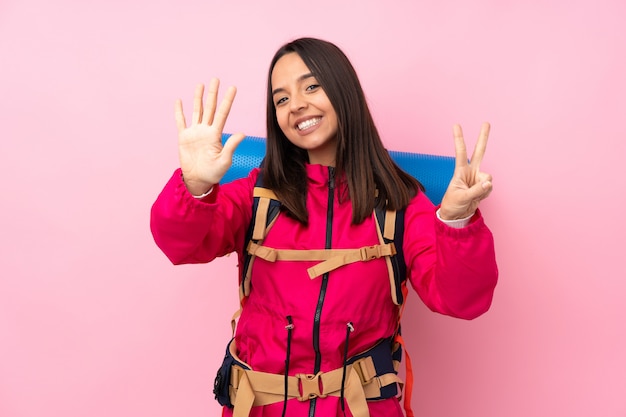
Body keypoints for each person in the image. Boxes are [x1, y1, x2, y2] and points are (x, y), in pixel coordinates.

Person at [150, 37, 498, 417]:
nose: (296, 104)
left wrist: (457, 221)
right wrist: (195, 186)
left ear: (343, 91)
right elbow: (181, 245)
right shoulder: (255, 193)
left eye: (311, 86)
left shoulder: (400, 202)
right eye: (281, 99)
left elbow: (461, 300)